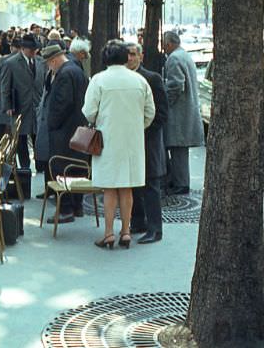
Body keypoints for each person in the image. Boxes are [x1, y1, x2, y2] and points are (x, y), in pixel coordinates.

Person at [82, 41, 155, 249]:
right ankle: (125, 231)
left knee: (109, 189)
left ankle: (108, 233)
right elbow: (150, 112)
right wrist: (137, 126)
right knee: (127, 187)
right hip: (132, 141)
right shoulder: (139, 81)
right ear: (125, 57)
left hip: (107, 140)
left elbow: (89, 111)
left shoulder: (99, 80)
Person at [39, 44, 89, 223]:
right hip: (76, 129)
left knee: (62, 169)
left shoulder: (65, 74)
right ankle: (77, 206)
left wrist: (51, 124)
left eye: (47, 63)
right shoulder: (76, 70)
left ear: (53, 60)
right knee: (76, 169)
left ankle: (66, 209)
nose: (47, 67)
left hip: (64, 132)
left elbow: (62, 104)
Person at [126, 42, 168, 244]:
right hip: (130, 142)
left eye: (133, 54)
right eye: (126, 55)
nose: (129, 58)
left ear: (141, 57)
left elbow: (162, 114)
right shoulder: (123, 79)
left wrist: (142, 130)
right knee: (134, 182)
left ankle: (155, 228)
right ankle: (137, 222)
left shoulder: (152, 78)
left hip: (149, 141)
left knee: (151, 185)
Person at [161, 31, 204, 195]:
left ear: (169, 44)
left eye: (164, 45)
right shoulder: (184, 55)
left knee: (177, 149)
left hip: (178, 114)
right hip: (185, 111)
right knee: (179, 150)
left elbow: (175, 85)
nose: (163, 49)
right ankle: (179, 181)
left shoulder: (174, 58)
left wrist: (165, 103)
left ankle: (180, 183)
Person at [0, 33, 45, 175]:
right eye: (31, 49)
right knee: (21, 139)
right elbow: (4, 87)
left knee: (38, 137)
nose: (33, 52)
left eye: (35, 49)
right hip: (19, 107)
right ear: (23, 49)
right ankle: (25, 168)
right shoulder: (10, 63)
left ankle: (40, 164)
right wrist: (7, 106)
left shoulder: (40, 62)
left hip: (36, 106)